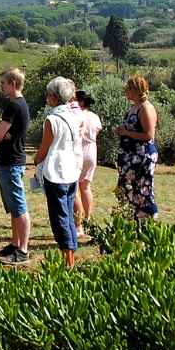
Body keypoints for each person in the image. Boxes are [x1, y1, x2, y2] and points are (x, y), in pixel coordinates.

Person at [34, 77, 83, 268]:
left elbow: (44, 149)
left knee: (59, 216)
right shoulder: (73, 116)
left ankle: (67, 259)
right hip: (71, 170)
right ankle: (71, 254)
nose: (46, 97)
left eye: (48, 94)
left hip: (56, 172)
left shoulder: (52, 119)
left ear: (54, 97)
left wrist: (36, 160)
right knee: (69, 214)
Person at [0, 68, 31, 263]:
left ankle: (22, 249)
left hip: (11, 162)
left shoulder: (13, 106)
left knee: (19, 207)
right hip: (13, 160)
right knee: (14, 207)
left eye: (4, 83)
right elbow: (2, 134)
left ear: (13, 83)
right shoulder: (22, 104)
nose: (1, 87)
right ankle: (15, 243)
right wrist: (2, 135)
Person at [115, 74, 159, 222]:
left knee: (142, 190)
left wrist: (126, 132)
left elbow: (148, 135)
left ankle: (147, 223)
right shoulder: (134, 107)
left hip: (141, 157)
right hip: (129, 158)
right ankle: (130, 222)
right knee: (125, 189)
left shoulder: (146, 108)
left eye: (128, 89)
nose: (126, 92)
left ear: (135, 90)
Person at [73, 90, 103, 240]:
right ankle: (88, 219)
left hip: (79, 150)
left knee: (74, 189)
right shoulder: (95, 117)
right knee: (85, 186)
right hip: (92, 151)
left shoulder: (76, 115)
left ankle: (78, 224)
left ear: (80, 102)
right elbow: (97, 132)